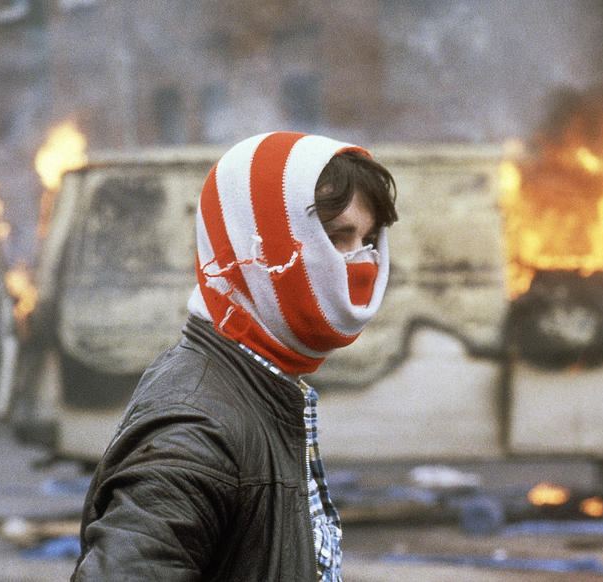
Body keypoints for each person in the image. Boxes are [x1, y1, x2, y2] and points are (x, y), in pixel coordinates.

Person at [72, 132, 398, 581]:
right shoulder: (195, 432)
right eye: (336, 237)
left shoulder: (263, 385)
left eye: (367, 240)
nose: (360, 263)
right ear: (261, 246)